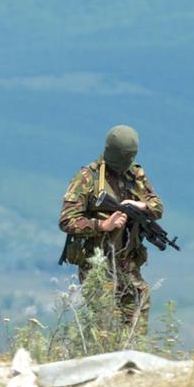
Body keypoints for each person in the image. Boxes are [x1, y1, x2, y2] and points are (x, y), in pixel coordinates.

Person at [58, 125, 163, 332]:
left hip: (127, 262)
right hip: (96, 264)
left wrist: (140, 206)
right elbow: (66, 220)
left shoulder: (135, 175)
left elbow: (157, 207)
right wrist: (102, 225)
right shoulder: (87, 178)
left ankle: (132, 358)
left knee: (138, 313)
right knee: (104, 325)